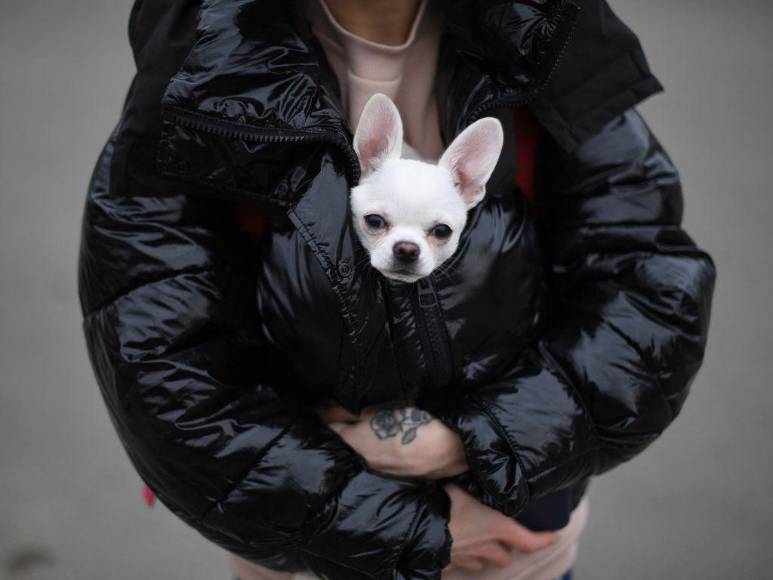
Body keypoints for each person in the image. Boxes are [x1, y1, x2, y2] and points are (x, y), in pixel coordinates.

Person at [78, 0, 716, 579]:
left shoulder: (543, 33)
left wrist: (475, 440)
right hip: (310, 546)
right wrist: (407, 530)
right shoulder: (203, 62)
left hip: (509, 538)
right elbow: (162, 364)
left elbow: (647, 297)